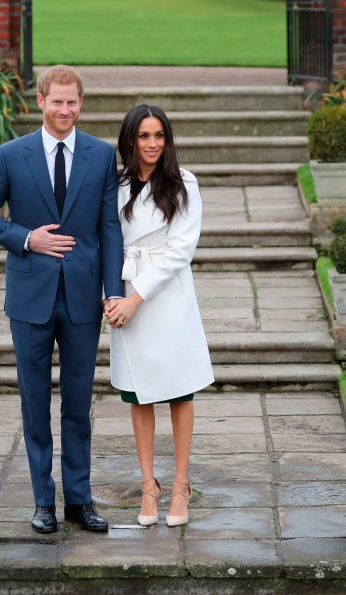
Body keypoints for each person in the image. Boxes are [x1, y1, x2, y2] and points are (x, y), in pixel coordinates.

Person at [0, 65, 124, 534]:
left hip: (82, 298)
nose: (64, 110)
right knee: (34, 402)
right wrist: (24, 238)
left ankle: (79, 499)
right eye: (56, 102)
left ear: (81, 104)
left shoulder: (101, 155)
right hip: (30, 296)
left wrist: (113, 290)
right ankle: (43, 502)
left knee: (78, 402)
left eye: (72, 102)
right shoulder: (12, 155)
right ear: (40, 101)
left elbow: (110, 229)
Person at [105, 105, 214, 527]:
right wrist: (112, 298)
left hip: (166, 298)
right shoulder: (114, 185)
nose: (152, 144)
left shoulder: (184, 183)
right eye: (144, 136)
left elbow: (180, 252)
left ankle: (181, 486)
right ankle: (149, 485)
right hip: (124, 293)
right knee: (138, 393)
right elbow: (105, 241)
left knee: (179, 390)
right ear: (130, 140)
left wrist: (136, 298)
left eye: (159, 136)